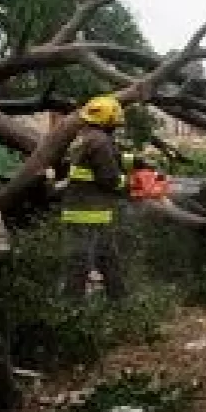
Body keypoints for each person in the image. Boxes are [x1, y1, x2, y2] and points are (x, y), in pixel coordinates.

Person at [60, 95, 136, 300]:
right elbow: (109, 179)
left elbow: (102, 164)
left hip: (84, 209)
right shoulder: (101, 142)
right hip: (88, 212)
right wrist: (131, 184)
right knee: (81, 260)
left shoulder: (86, 137)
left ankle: (120, 300)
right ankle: (69, 306)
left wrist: (132, 161)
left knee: (107, 256)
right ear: (109, 120)